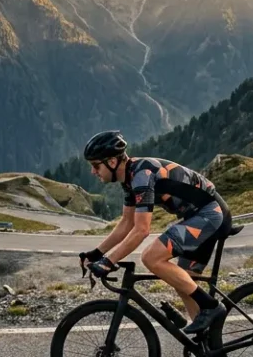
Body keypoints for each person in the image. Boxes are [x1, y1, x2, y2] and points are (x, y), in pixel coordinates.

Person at [78, 130, 231, 336]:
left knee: (151, 257)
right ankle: (205, 350)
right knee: (183, 282)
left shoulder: (142, 175)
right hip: (199, 216)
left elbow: (141, 230)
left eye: (96, 165)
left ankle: (211, 306)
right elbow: (126, 223)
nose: (93, 172)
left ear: (112, 162)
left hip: (210, 214)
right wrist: (96, 254)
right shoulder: (130, 179)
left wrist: (108, 261)